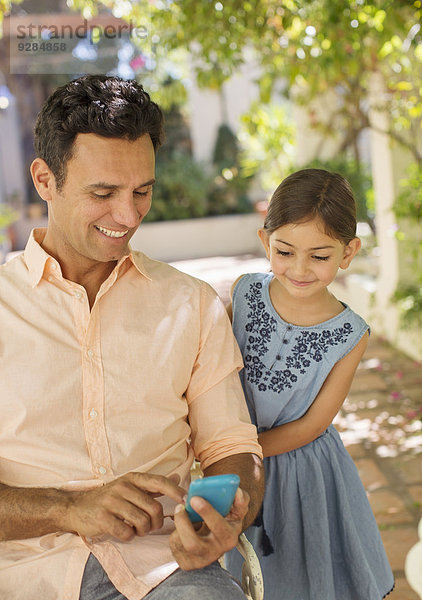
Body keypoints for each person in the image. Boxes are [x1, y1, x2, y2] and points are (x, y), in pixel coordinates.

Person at [0, 74, 264, 600]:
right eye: (103, 193)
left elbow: (234, 448)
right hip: (24, 574)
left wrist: (228, 516)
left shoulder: (191, 304)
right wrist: (69, 507)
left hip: (166, 572)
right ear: (44, 179)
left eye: (142, 191)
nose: (128, 216)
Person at [225, 169, 394, 600]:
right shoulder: (243, 294)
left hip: (302, 471)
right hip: (233, 454)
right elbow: (213, 369)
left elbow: (313, 424)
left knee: (301, 572)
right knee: (241, 568)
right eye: (285, 251)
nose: (299, 269)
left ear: (348, 251)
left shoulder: (350, 334)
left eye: (320, 256)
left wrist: (245, 452)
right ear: (265, 241)